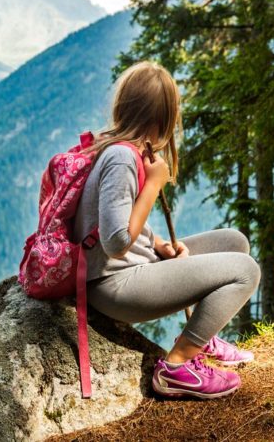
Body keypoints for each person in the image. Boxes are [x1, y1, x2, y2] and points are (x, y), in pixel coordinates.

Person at [72, 60, 261, 399]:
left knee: (235, 243)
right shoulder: (120, 158)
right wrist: (153, 185)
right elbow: (115, 242)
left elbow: (117, 221)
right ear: (165, 118)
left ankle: (202, 337)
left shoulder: (124, 149)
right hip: (114, 285)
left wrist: (159, 244)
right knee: (246, 272)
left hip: (135, 265)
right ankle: (176, 366)